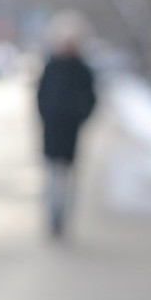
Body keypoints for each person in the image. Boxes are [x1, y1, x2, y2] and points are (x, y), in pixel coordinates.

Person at [37, 24, 96, 239]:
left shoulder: (82, 70)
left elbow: (91, 99)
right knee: (52, 177)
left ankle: (63, 219)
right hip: (51, 131)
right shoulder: (51, 67)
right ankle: (53, 218)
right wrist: (46, 116)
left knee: (68, 179)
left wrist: (79, 117)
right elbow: (40, 97)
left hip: (71, 133)